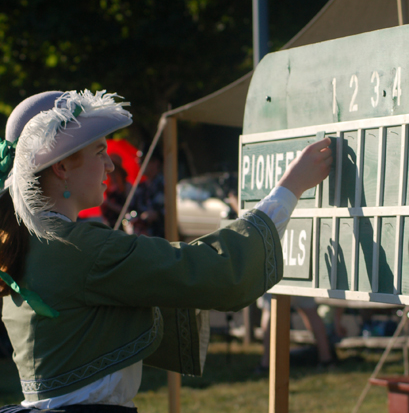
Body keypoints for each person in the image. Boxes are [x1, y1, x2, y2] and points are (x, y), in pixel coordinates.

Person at [0, 90, 332, 412]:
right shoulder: (76, 248)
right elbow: (205, 270)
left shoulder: (23, 243)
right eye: (99, 152)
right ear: (61, 167)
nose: (111, 167)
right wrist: (289, 190)